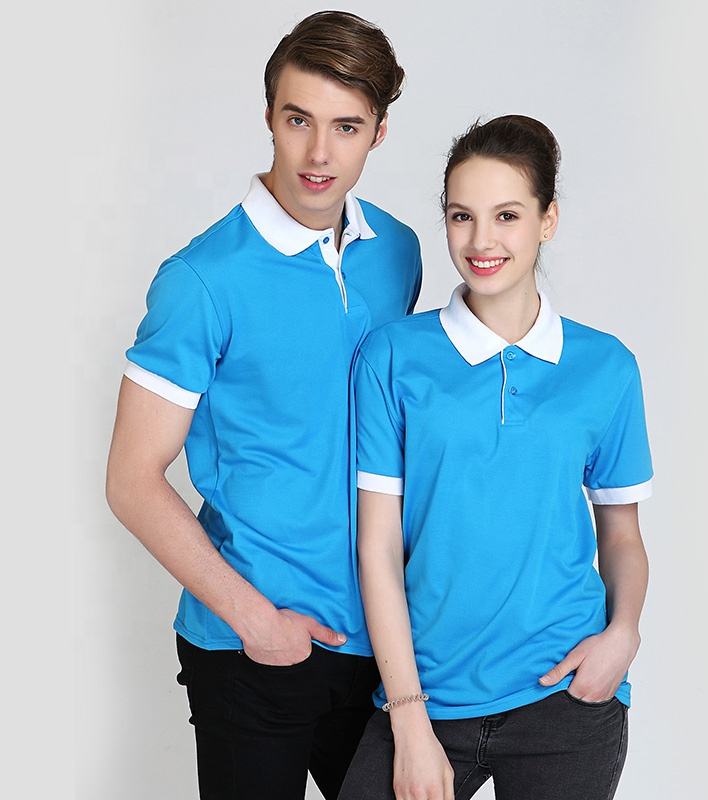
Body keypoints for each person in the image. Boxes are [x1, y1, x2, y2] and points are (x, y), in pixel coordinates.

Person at [105, 11, 421, 800]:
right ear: (269, 116)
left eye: (347, 127)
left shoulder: (400, 252)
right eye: (298, 120)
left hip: (382, 639)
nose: (319, 155)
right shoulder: (202, 281)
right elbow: (131, 480)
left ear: (379, 133)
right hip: (253, 646)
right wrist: (256, 621)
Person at [339, 115, 653, 800]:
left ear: (547, 220)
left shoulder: (606, 367)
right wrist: (408, 718)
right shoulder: (394, 356)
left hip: (568, 697)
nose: (481, 241)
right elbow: (377, 547)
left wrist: (623, 635)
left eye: (507, 215)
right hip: (427, 696)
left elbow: (622, 535)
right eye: (462, 216)